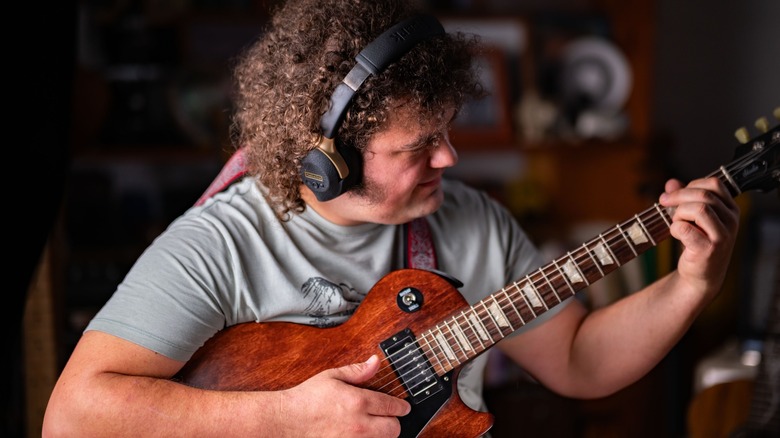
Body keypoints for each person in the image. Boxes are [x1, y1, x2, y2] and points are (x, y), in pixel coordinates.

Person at [43, 0, 740, 436]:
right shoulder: (219, 245)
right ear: (326, 164)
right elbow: (73, 417)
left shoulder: (473, 223)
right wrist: (285, 419)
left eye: (446, 131)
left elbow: (580, 362)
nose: (451, 158)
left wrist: (690, 285)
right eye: (419, 146)